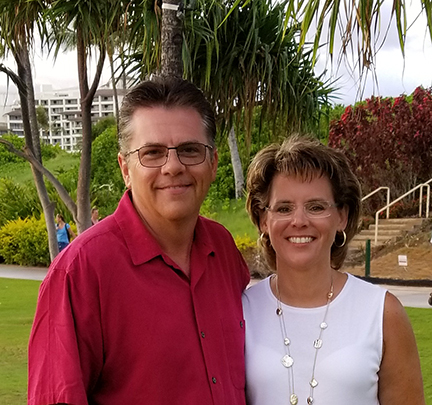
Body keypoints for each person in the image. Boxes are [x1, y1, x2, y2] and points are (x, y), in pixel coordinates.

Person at [28, 77, 250, 405]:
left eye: (190, 150)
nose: (173, 166)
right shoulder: (81, 272)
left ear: (213, 163)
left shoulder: (223, 250)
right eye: (152, 153)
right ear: (125, 169)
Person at [243, 135, 425, 405]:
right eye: (284, 208)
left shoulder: (382, 313)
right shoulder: (241, 311)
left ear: (342, 216)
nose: (299, 220)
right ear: (263, 220)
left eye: (316, 207)